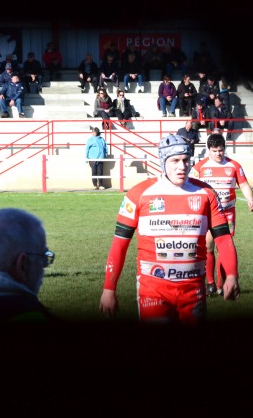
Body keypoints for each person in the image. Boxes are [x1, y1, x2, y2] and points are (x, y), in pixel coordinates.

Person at [99, 134, 241, 324]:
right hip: (153, 292)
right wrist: (109, 289)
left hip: (193, 292)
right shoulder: (138, 194)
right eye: (175, 160)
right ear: (162, 161)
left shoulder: (207, 194)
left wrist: (231, 275)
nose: (181, 167)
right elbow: (119, 244)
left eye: (185, 160)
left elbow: (223, 239)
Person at [191, 132, 253, 296]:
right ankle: (210, 283)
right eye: (214, 151)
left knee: (224, 247)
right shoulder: (199, 167)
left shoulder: (234, 165)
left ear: (224, 149)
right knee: (208, 247)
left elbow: (244, 184)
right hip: (207, 214)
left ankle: (221, 285)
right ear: (208, 150)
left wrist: (250, 199)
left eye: (220, 150)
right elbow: (190, 188)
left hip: (227, 213)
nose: (218, 154)